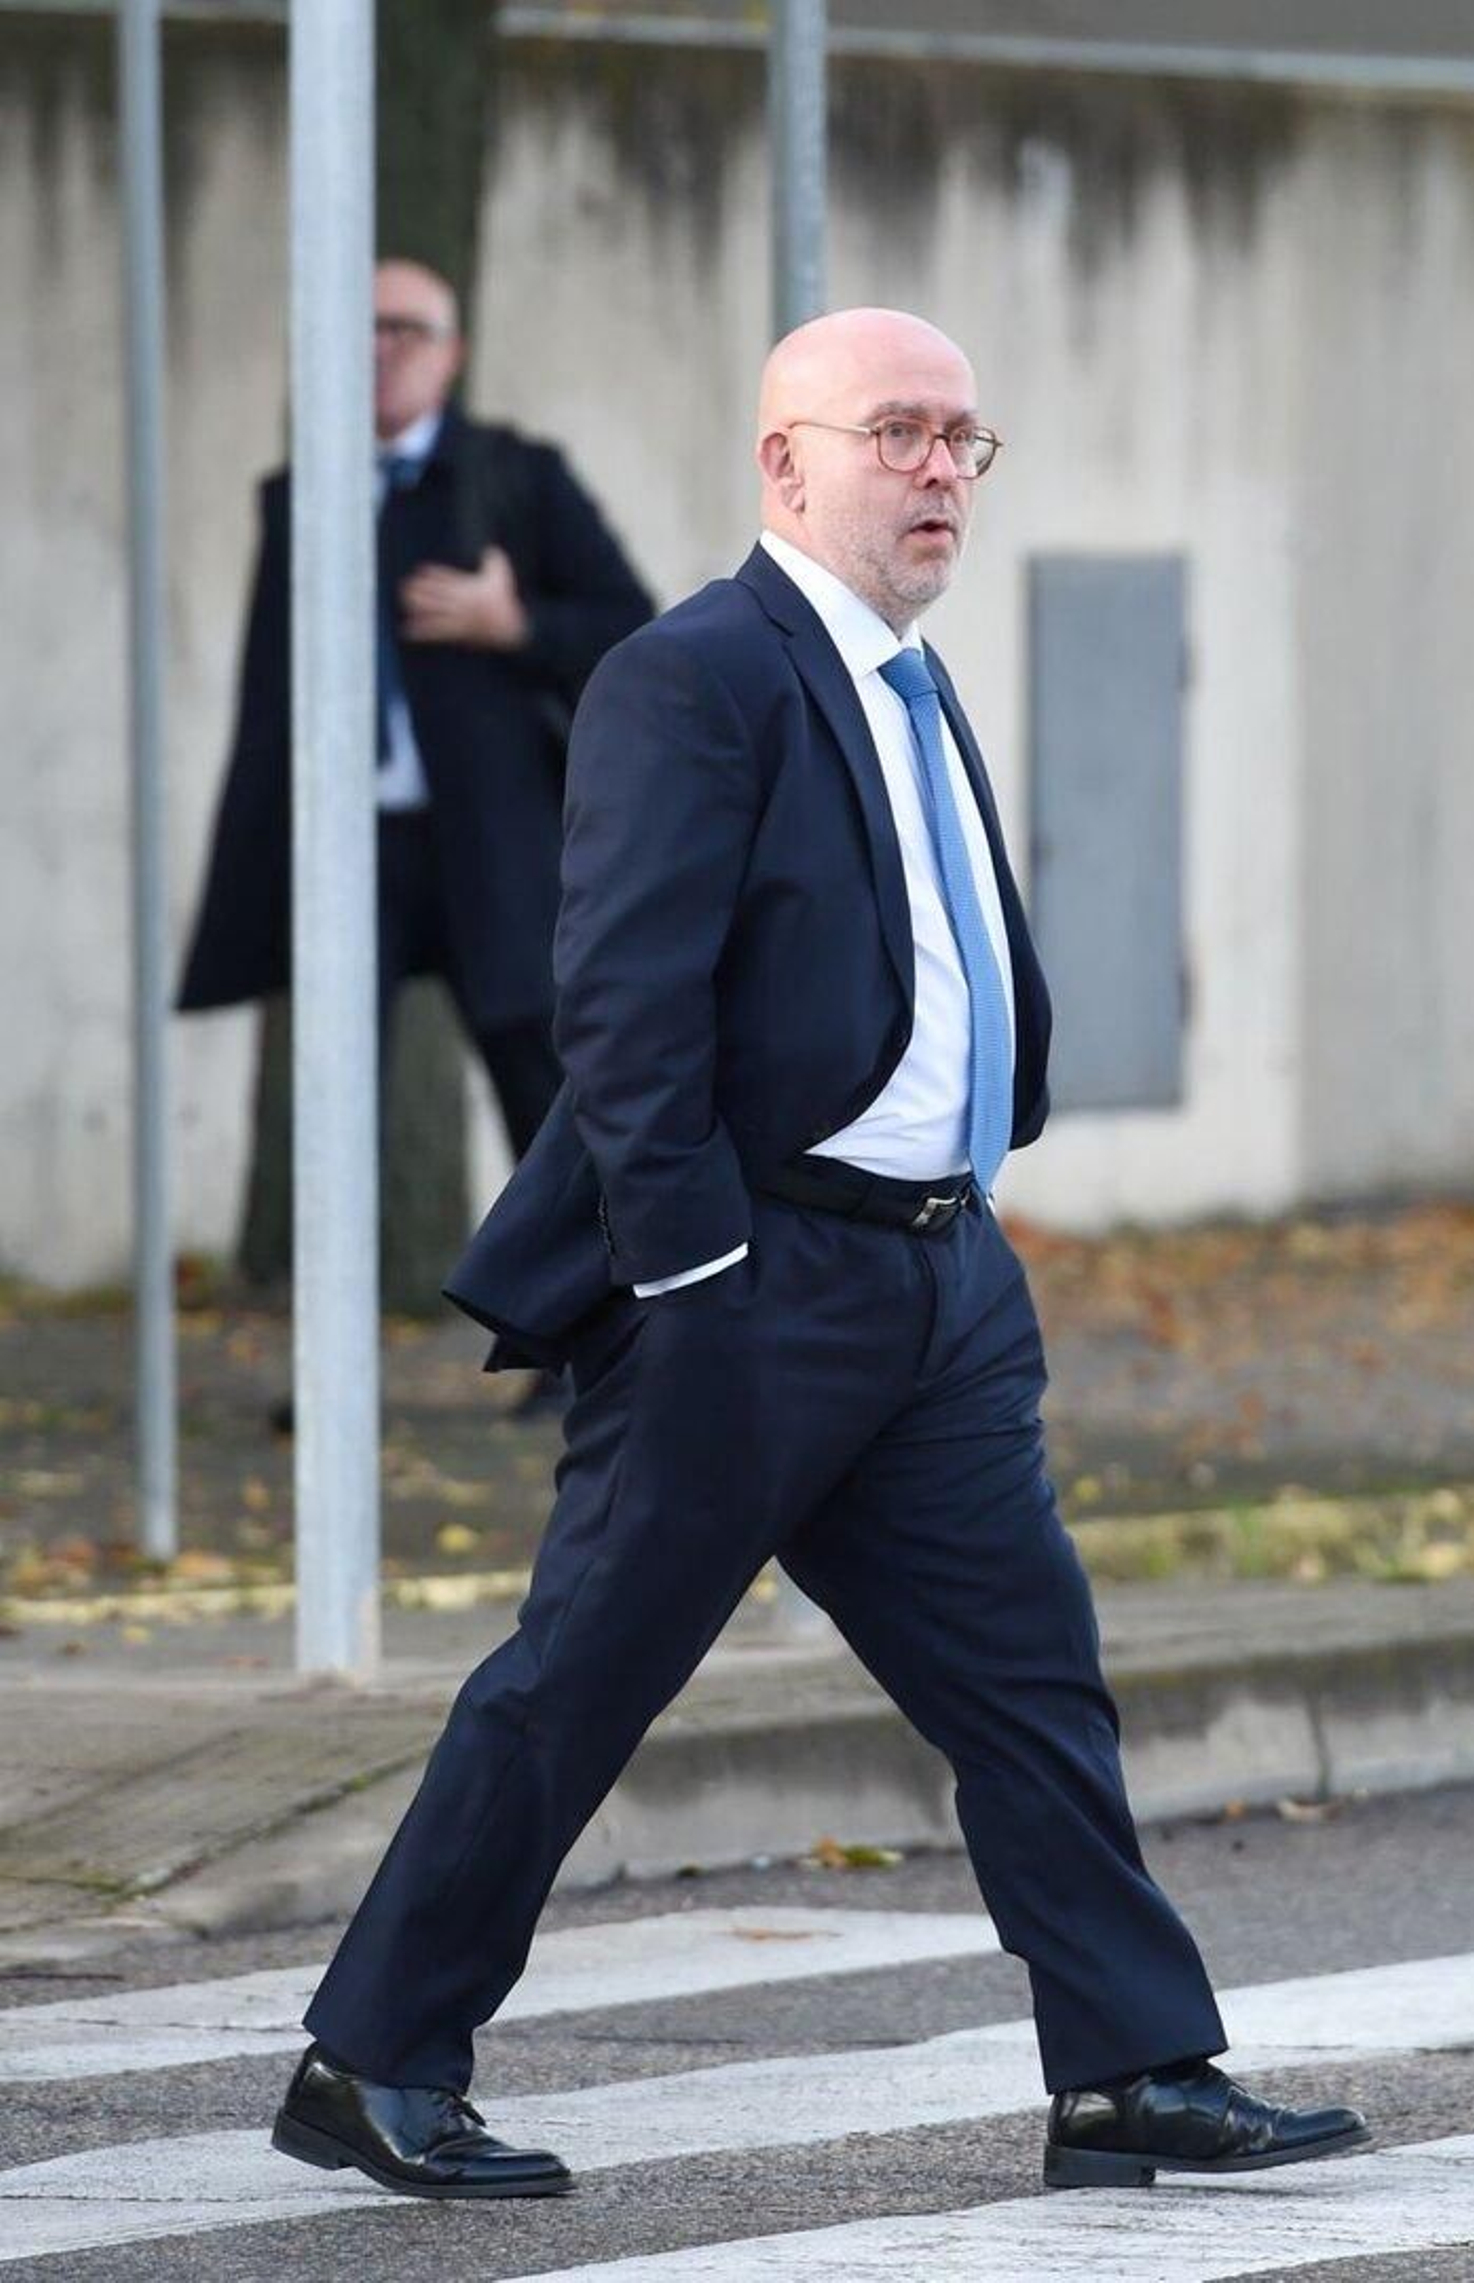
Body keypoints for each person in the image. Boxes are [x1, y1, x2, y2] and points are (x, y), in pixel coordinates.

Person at [270, 308, 1371, 2202]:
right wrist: (697, 1279)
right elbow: (622, 1009)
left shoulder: (912, 680)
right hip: (752, 1286)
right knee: (582, 1675)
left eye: (963, 439)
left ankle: (1132, 2067)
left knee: (1033, 1681)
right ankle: (369, 2059)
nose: (943, 470)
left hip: (937, 1282)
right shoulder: (693, 674)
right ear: (788, 463)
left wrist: (967, 1207)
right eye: (899, 433)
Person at [177, 258, 654, 1321]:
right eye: (364, 328)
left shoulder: (515, 477)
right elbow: (268, 696)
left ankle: (585, 1344)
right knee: (333, 1106)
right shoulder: (303, 496)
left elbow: (634, 629)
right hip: (349, 851)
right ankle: (331, 1363)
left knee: (548, 1097)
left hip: (497, 846)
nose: (384, 350)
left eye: (408, 329)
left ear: (452, 354)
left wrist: (516, 624)